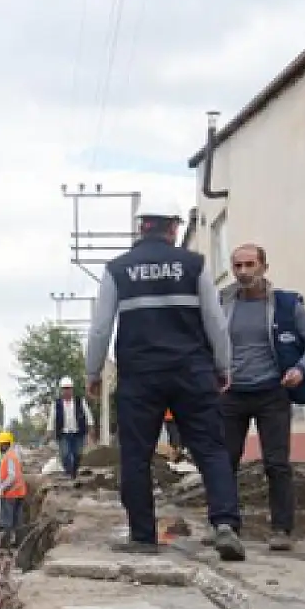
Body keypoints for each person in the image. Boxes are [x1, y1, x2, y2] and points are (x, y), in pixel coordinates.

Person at [84, 192, 247, 561]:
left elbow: (99, 330)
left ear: (141, 227)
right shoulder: (195, 265)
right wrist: (224, 367)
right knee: (211, 449)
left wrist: (94, 372)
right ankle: (224, 523)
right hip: (192, 372)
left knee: (137, 456)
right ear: (174, 228)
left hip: (139, 376)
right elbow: (216, 323)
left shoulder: (118, 269)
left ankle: (143, 535)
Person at [219, 242, 305, 552]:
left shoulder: (286, 305)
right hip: (232, 394)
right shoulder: (222, 303)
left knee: (276, 463)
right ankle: (225, 526)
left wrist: (301, 369)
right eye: (237, 266)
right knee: (224, 462)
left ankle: (281, 529)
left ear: (264, 267)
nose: (243, 272)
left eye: (249, 265)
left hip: (272, 392)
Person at [52, 377, 95, 477]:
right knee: (65, 454)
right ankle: (68, 471)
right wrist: (49, 432)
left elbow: (88, 415)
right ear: (61, 390)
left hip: (78, 433)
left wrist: (91, 427)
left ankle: (73, 472)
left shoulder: (80, 401)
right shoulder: (56, 404)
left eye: (68, 388)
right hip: (63, 433)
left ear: (72, 389)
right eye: (64, 388)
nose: (66, 391)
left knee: (78, 454)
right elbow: (52, 419)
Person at [0, 430, 29, 543]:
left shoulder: (9, 456)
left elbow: (12, 476)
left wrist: (1, 488)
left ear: (5, 444)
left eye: (0, 444)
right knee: (17, 520)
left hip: (10, 494)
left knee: (7, 520)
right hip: (19, 492)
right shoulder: (14, 455)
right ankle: (18, 541)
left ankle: (7, 543)